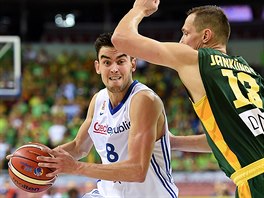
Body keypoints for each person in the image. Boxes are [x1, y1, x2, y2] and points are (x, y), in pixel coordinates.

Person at [111, 1, 264, 198]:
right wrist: (172, 142)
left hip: (256, 180)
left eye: (185, 33)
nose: (181, 41)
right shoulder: (250, 73)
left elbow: (121, 39)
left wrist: (140, 8)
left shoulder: (196, 58)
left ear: (206, 36)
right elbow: (229, 139)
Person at [32, 32, 179, 198]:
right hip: (107, 193)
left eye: (121, 61)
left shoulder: (144, 100)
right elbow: (79, 147)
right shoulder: (98, 99)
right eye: (107, 62)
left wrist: (76, 168)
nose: (114, 68)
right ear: (97, 67)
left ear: (133, 64)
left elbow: (137, 170)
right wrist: (42, 158)